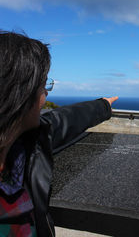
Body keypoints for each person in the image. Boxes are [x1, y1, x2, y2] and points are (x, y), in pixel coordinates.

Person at [0, 31, 118, 236]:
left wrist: (103, 107)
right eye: (43, 85)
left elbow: (62, 120)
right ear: (20, 93)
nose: (46, 94)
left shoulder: (23, 142)